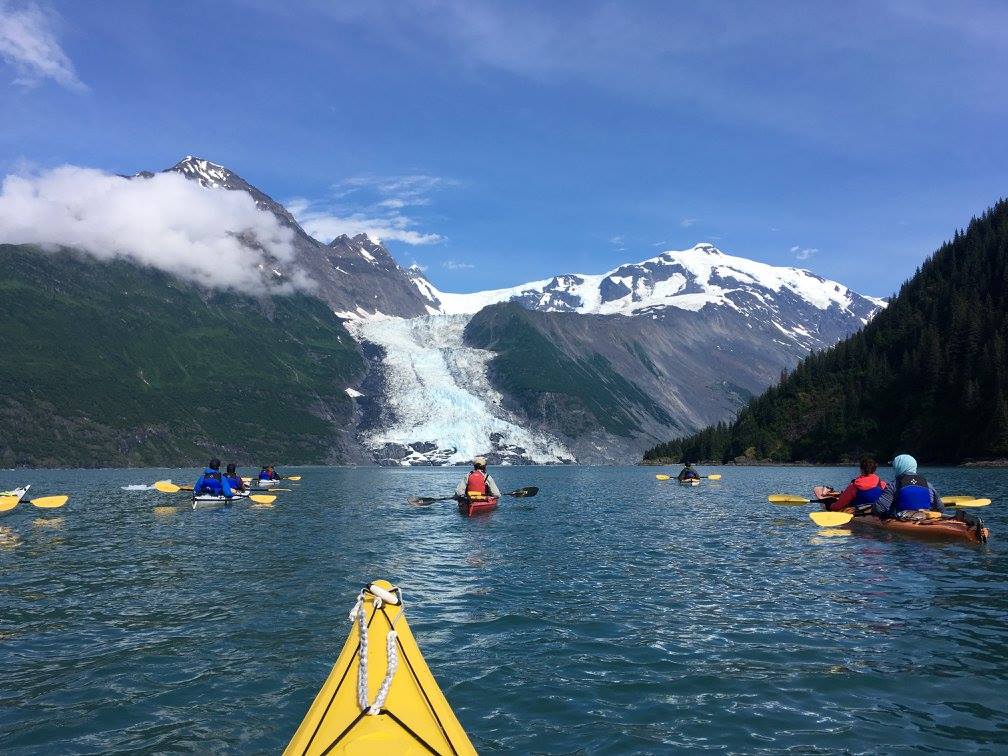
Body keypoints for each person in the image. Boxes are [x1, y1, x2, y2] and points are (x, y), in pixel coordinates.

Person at [871, 453, 944, 517]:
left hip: (902, 519)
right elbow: (941, 508)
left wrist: (874, 507)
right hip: (924, 517)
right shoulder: (928, 485)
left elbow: (879, 509)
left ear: (899, 467)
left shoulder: (893, 485)